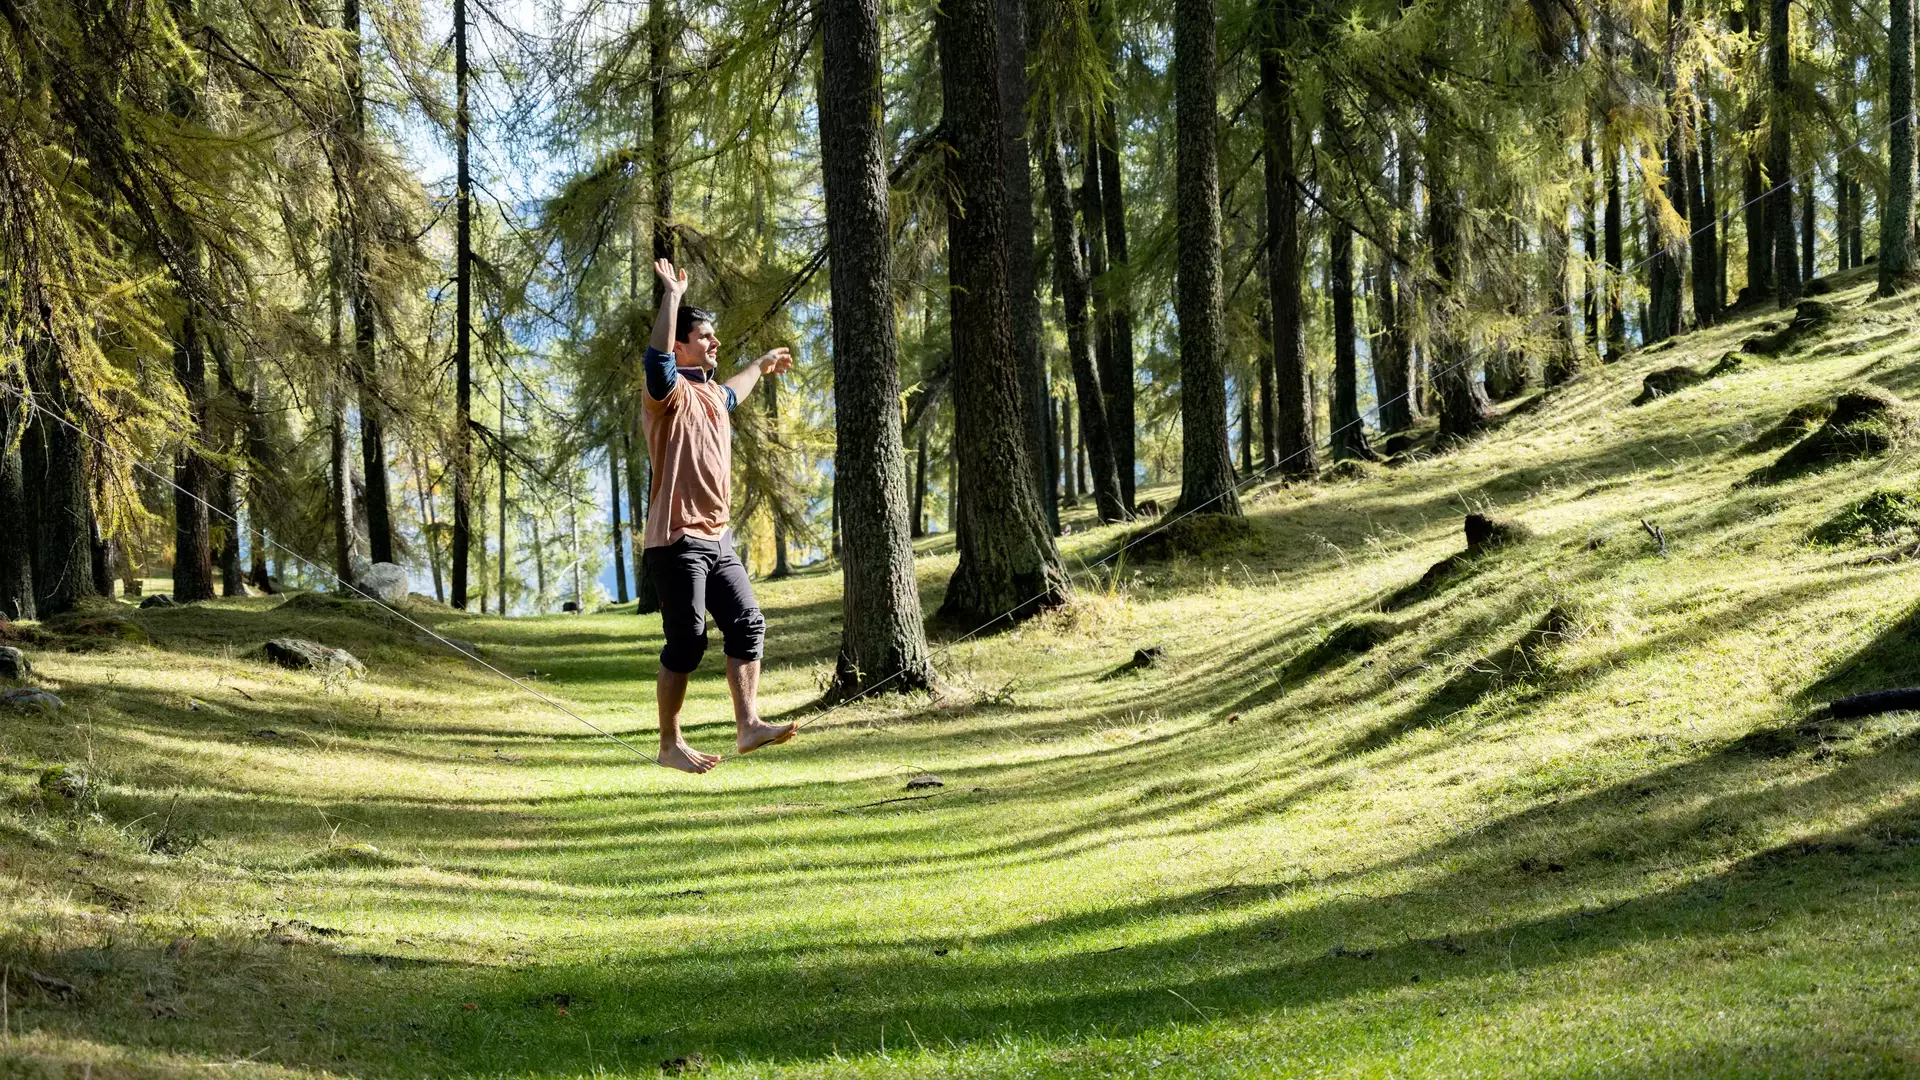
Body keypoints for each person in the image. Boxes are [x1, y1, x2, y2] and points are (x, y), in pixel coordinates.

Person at [640, 258, 796, 773]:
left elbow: (734, 388)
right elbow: (657, 355)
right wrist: (672, 297)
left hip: (718, 538)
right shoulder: (667, 392)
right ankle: (669, 744)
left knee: (748, 624)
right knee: (686, 639)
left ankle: (748, 726)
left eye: (714, 337)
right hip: (676, 538)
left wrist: (762, 362)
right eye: (704, 337)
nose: (714, 343)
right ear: (682, 345)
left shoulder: (710, 394)